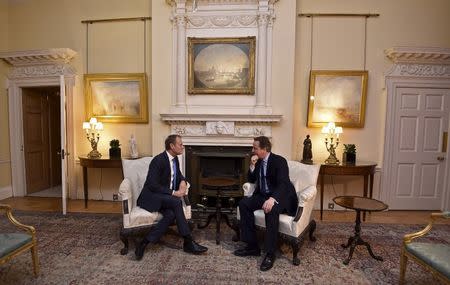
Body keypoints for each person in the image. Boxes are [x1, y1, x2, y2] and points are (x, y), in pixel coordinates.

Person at [135, 134, 208, 260]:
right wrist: (174, 193)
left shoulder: (174, 159)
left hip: (163, 198)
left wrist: (183, 181)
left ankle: (144, 242)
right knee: (176, 202)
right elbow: (152, 185)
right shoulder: (158, 160)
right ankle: (188, 241)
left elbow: (179, 175)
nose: (183, 146)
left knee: (170, 214)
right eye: (180, 144)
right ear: (172, 146)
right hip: (151, 197)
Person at [234, 136, 298, 271]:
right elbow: (251, 178)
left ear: (265, 149)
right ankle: (252, 246)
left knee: (271, 210)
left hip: (280, 196)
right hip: (262, 195)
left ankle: (270, 253)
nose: (253, 151)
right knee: (244, 204)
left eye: (255, 148)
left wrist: (272, 199)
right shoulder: (258, 161)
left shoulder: (279, 161)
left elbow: (283, 183)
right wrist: (252, 165)